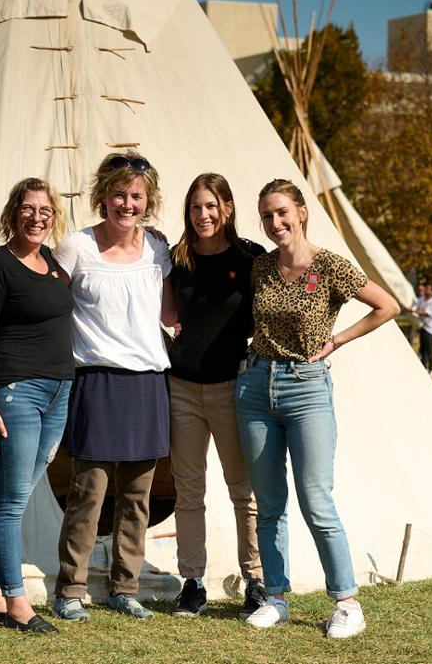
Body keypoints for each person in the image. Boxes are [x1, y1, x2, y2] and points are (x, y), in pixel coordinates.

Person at [236, 179, 399, 638]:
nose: (275, 223)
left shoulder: (329, 266)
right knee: (267, 504)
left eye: (282, 212)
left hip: (307, 389)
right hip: (255, 388)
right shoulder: (262, 267)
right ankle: (276, 597)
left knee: (316, 500)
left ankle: (347, 602)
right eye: (267, 215)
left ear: (302, 212)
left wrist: (337, 340)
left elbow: (388, 305)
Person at [51, 151, 174, 622]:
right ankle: (71, 589)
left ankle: (125, 587)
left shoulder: (158, 250)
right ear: (103, 197)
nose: (127, 203)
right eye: (119, 194)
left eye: (136, 196)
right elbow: (49, 306)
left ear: (149, 201)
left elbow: (168, 314)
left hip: (147, 383)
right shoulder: (76, 248)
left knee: (137, 498)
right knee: (88, 493)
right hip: (98, 381)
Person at [0, 177, 74, 634]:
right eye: (29, 209)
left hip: (58, 393)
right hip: (16, 394)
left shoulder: (50, 260)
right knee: (13, 503)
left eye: (45, 211)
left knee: (12, 498)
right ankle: (16, 603)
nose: (37, 217)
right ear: (14, 212)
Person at [166, 173, 265, 619]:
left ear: (226, 206)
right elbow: (157, 311)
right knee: (189, 491)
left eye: (210, 206)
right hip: (182, 389)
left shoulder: (251, 258)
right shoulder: (175, 258)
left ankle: (256, 580)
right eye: (194, 207)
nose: (202, 215)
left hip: (232, 387)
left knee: (243, 491)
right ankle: (192, 582)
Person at [414, 282, 432, 376]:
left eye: (428, 289)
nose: (426, 290)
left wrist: (414, 311)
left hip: (431, 329)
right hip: (424, 327)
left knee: (429, 349)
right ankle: (424, 367)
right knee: (423, 349)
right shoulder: (423, 300)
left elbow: (426, 313)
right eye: (426, 288)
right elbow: (415, 305)